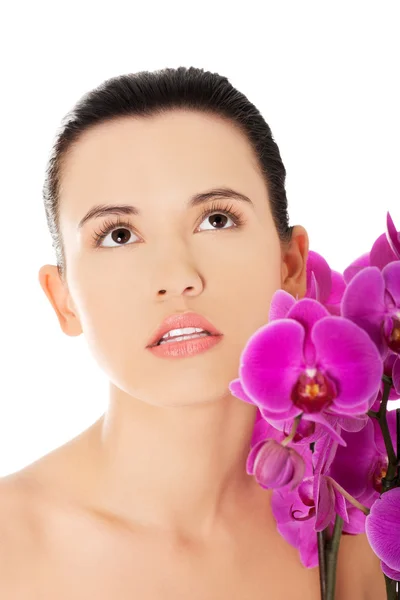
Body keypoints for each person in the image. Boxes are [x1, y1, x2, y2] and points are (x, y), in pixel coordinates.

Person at [0, 66, 386, 599]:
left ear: (292, 265)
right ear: (62, 299)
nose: (178, 277)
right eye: (118, 234)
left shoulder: (357, 537)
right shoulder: (9, 546)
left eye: (217, 219)